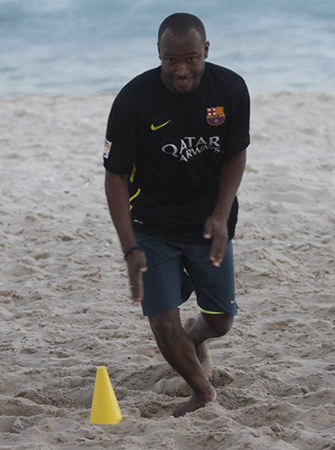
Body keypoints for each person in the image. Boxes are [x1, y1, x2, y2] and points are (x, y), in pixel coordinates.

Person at [103, 12, 250, 417]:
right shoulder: (134, 100)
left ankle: (196, 338)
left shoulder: (231, 88)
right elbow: (114, 176)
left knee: (220, 320)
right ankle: (203, 392)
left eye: (190, 59)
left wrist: (221, 214)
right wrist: (130, 247)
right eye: (171, 60)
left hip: (209, 223)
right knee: (163, 324)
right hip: (152, 224)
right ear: (158, 54)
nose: (181, 71)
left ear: (206, 51)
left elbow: (236, 152)